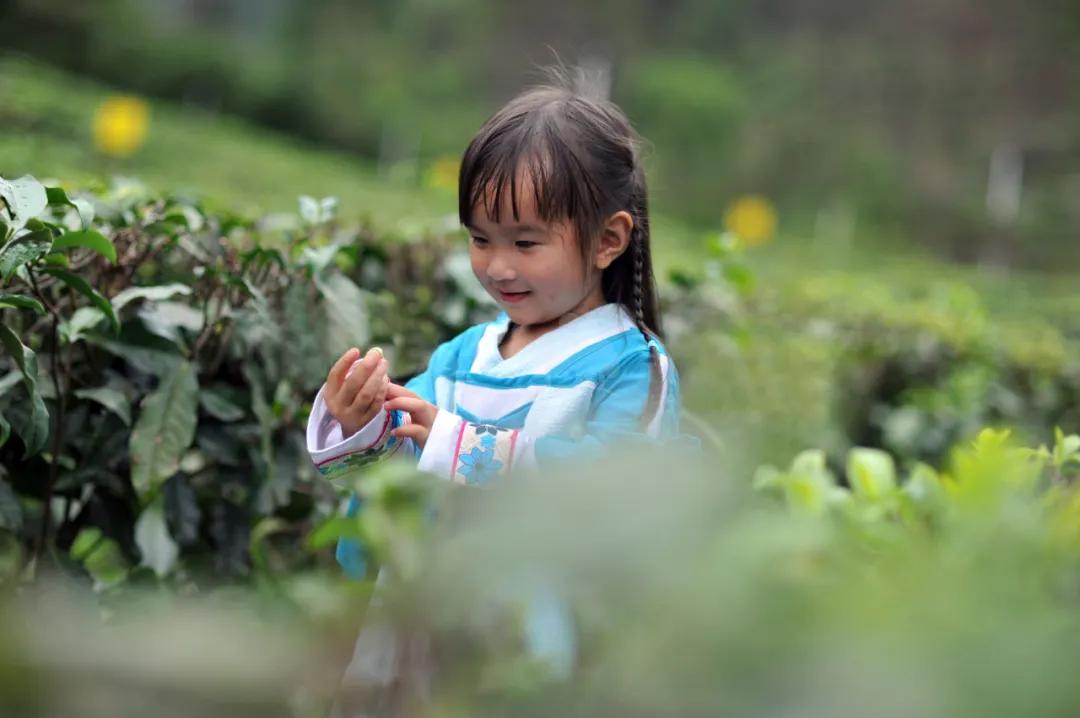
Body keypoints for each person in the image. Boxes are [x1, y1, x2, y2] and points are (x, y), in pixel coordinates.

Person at [305, 73, 685, 710]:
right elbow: (394, 476)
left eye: (526, 242)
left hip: (528, 651)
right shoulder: (462, 357)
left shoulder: (631, 367)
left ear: (608, 241)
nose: (498, 265)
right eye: (481, 239)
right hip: (418, 633)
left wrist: (456, 443)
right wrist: (359, 424)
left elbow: (615, 489)